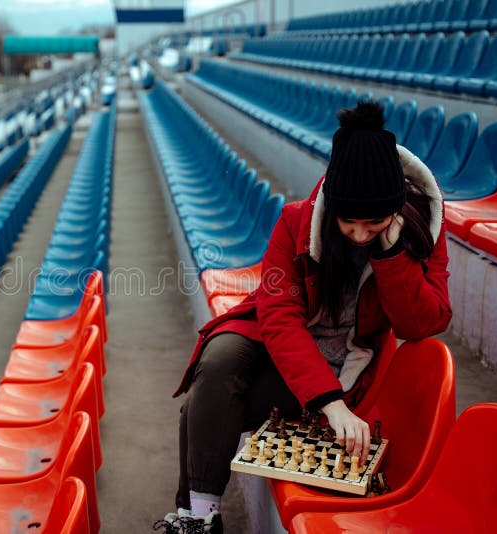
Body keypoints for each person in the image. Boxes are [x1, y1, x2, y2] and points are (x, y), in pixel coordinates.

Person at [154, 101, 452, 534]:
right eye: (349, 223)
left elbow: (421, 323)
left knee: (207, 404)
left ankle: (198, 517)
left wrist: (391, 256)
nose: (360, 234)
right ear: (331, 207)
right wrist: (330, 406)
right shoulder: (295, 223)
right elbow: (278, 318)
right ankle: (201, 518)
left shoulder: (422, 232)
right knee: (218, 363)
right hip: (275, 347)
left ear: (397, 209)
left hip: (341, 364)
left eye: (375, 223)